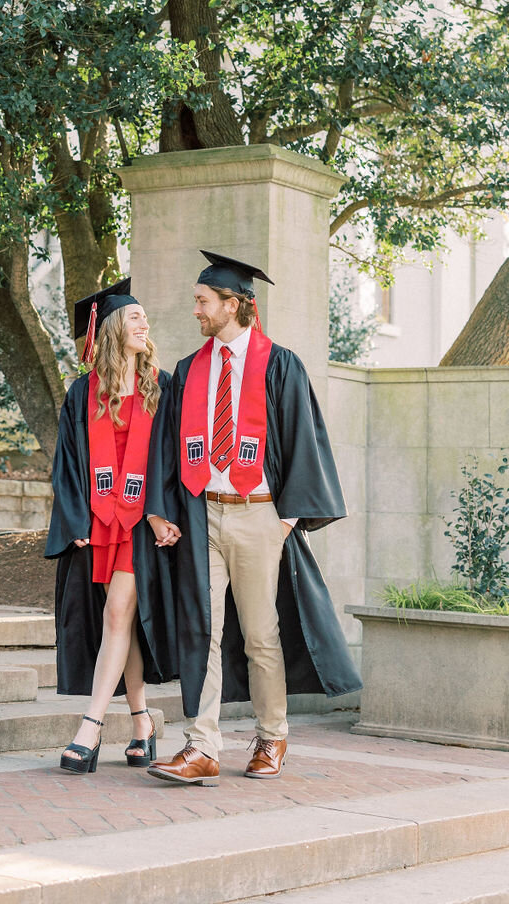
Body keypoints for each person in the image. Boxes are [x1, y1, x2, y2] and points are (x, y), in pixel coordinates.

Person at [146, 251, 361, 787]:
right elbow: (168, 450)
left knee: (262, 636)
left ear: (234, 304)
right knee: (204, 629)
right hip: (203, 514)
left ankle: (272, 735)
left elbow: (304, 440)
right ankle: (202, 745)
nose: (195, 310)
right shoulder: (190, 369)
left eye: (203, 301)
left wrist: (287, 518)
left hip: (261, 516)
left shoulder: (280, 364)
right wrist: (162, 508)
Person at [45, 278, 181, 774]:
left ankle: (90, 727)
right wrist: (75, 517)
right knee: (117, 624)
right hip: (101, 519)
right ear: (112, 329)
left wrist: (163, 511)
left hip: (142, 520)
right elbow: (68, 463)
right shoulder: (83, 393)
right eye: (136, 316)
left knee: (119, 614)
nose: (145, 323)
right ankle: (143, 721)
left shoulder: (161, 387)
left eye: (146, 317)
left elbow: (171, 459)